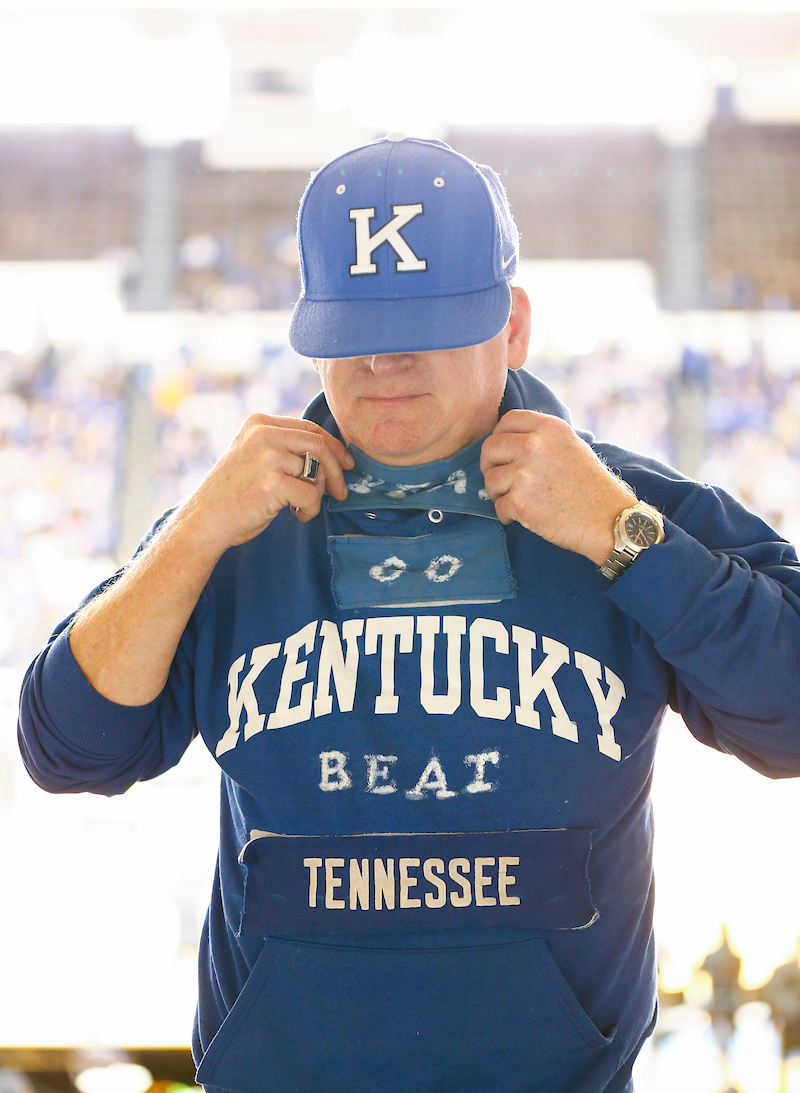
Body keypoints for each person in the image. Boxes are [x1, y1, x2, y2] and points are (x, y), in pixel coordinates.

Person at [18, 134, 800, 1093]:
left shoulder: (631, 507)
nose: (383, 361)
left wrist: (623, 538)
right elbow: (68, 750)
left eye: (424, 323)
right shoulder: (233, 521)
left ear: (511, 327)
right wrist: (192, 534)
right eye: (352, 327)